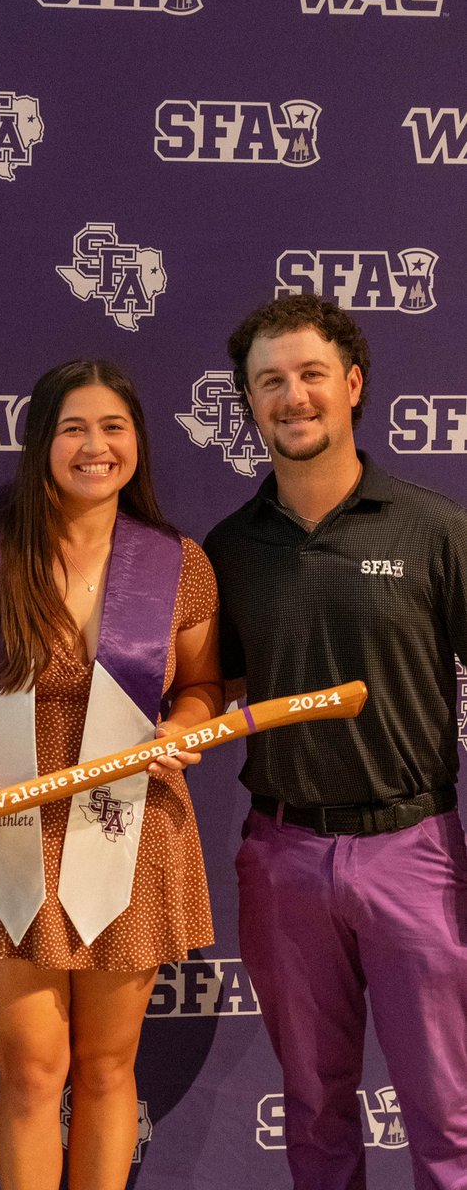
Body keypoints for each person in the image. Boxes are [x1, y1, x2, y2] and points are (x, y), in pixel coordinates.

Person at [0, 359, 222, 1190]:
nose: (96, 447)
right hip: (10, 821)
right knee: (30, 1071)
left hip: (130, 829)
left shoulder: (178, 563)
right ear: (41, 444)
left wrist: (185, 727)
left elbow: (202, 686)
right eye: (74, 429)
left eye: (114, 428)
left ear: (138, 444)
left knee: (107, 1067)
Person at [203, 293, 467, 1190]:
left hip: (413, 849)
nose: (293, 396)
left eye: (312, 374)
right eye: (269, 382)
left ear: (352, 384)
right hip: (282, 857)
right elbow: (215, 689)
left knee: (446, 1113)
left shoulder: (433, 528)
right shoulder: (228, 548)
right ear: (249, 402)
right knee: (314, 1112)